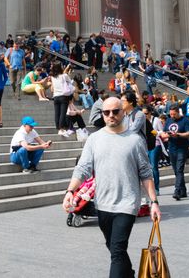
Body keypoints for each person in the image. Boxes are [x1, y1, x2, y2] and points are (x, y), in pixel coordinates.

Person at [63, 96, 159, 277]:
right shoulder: (94, 139)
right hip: (102, 204)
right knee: (115, 248)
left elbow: (146, 174)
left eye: (115, 111)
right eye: (106, 112)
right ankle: (129, 274)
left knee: (117, 249)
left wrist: (153, 202)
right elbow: (83, 168)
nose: (111, 115)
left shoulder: (135, 140)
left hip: (127, 204)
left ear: (123, 112)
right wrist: (70, 191)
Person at [159, 103, 189, 200]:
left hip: (182, 148)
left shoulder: (185, 120)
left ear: (178, 112)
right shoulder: (169, 120)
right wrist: (167, 135)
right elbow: (164, 132)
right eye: (171, 114)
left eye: (174, 114)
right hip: (172, 147)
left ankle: (177, 190)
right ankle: (183, 190)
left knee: (179, 169)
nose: (172, 116)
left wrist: (178, 135)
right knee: (176, 170)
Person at [51, 63, 76, 137]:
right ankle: (61, 129)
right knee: (62, 113)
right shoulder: (64, 76)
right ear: (60, 67)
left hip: (55, 97)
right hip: (63, 96)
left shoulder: (52, 77)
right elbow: (70, 81)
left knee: (57, 113)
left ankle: (58, 128)